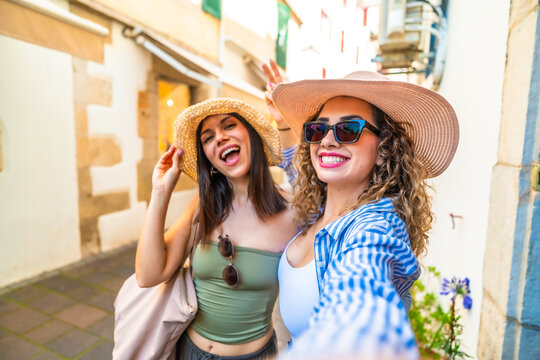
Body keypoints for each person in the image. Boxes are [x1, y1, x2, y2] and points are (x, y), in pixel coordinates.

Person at [263, 61, 459, 358]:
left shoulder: (376, 227)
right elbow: (296, 170)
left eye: (348, 129)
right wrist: (283, 124)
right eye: (318, 129)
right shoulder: (318, 209)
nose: (327, 140)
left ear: (383, 150)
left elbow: (362, 293)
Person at [135, 97, 298, 359]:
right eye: (208, 138)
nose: (219, 138)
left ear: (251, 136)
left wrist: (286, 127)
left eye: (229, 126)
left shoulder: (293, 212)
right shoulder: (203, 204)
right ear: (209, 159)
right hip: (190, 351)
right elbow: (148, 275)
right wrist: (160, 192)